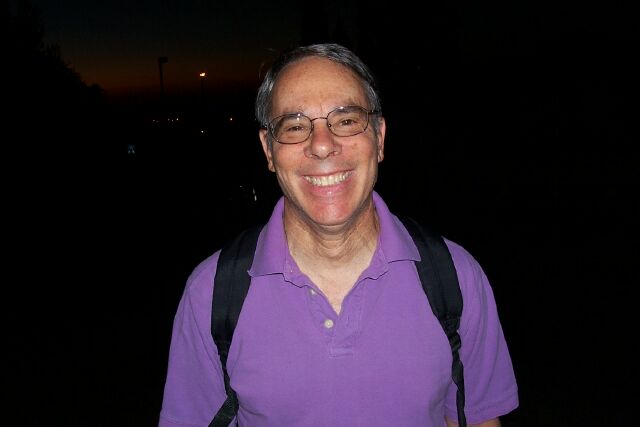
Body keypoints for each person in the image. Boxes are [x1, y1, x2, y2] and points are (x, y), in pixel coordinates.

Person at [158, 43, 518, 427]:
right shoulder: (211, 294)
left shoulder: (455, 277)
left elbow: (477, 419)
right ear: (268, 150)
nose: (322, 145)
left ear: (379, 138)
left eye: (346, 120)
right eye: (295, 126)